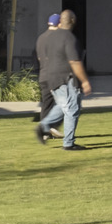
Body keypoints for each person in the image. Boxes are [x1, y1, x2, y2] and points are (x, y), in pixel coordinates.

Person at [33, 10, 91, 149]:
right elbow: (75, 62)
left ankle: (44, 125)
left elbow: (43, 57)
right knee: (72, 109)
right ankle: (69, 143)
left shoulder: (49, 37)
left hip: (50, 77)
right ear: (73, 20)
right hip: (65, 78)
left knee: (62, 105)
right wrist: (84, 81)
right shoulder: (69, 38)